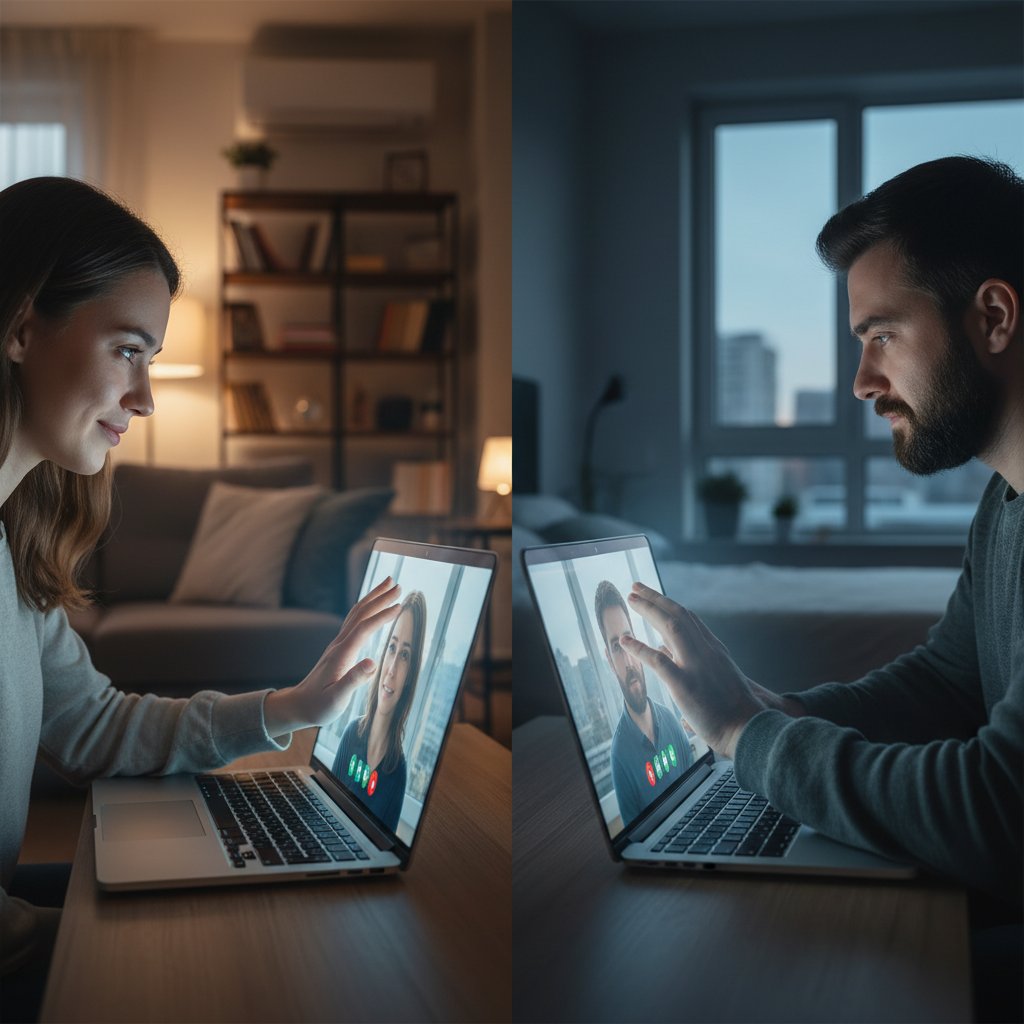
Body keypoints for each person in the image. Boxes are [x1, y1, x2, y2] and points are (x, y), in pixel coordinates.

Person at [619, 156, 1022, 1021]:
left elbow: (998, 811)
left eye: (883, 335)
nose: (862, 382)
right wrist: (785, 712)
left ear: (993, 317)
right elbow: (949, 682)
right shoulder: (1006, 504)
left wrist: (746, 734)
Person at [0, 176, 402, 1020]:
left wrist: (293, 706)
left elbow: (92, 728)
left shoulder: (13, 552)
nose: (145, 398)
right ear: (22, 324)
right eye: (128, 349)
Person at [595, 579, 694, 826]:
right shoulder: (619, 756)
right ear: (609, 659)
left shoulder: (671, 720)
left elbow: (697, 786)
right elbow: (637, 838)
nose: (629, 661)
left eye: (628, 640)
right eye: (617, 647)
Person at [332, 591, 426, 832]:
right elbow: (326, 805)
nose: (392, 669)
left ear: (411, 675)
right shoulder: (351, 734)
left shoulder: (398, 772)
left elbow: (385, 846)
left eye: (404, 655)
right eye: (392, 648)